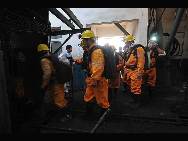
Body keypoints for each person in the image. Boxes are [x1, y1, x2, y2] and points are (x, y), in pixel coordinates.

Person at [37, 44, 72, 124]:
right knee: (56, 98)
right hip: (58, 81)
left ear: (40, 52)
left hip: (56, 82)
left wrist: (43, 86)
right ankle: (61, 114)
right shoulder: (53, 56)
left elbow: (47, 74)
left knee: (59, 100)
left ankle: (64, 116)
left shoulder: (44, 60)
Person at [80, 30, 110, 117]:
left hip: (98, 80)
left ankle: (104, 116)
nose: (83, 42)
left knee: (102, 100)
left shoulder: (96, 51)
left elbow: (98, 68)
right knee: (88, 96)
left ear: (90, 40)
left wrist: (94, 80)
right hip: (93, 79)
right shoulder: (92, 50)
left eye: (85, 40)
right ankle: (89, 114)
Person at [122, 35, 145, 108]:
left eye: (126, 42)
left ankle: (137, 103)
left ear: (130, 41)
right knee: (132, 87)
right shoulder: (131, 49)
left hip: (135, 71)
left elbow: (141, 62)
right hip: (129, 71)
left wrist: (139, 73)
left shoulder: (139, 49)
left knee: (136, 88)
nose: (125, 44)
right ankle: (134, 100)